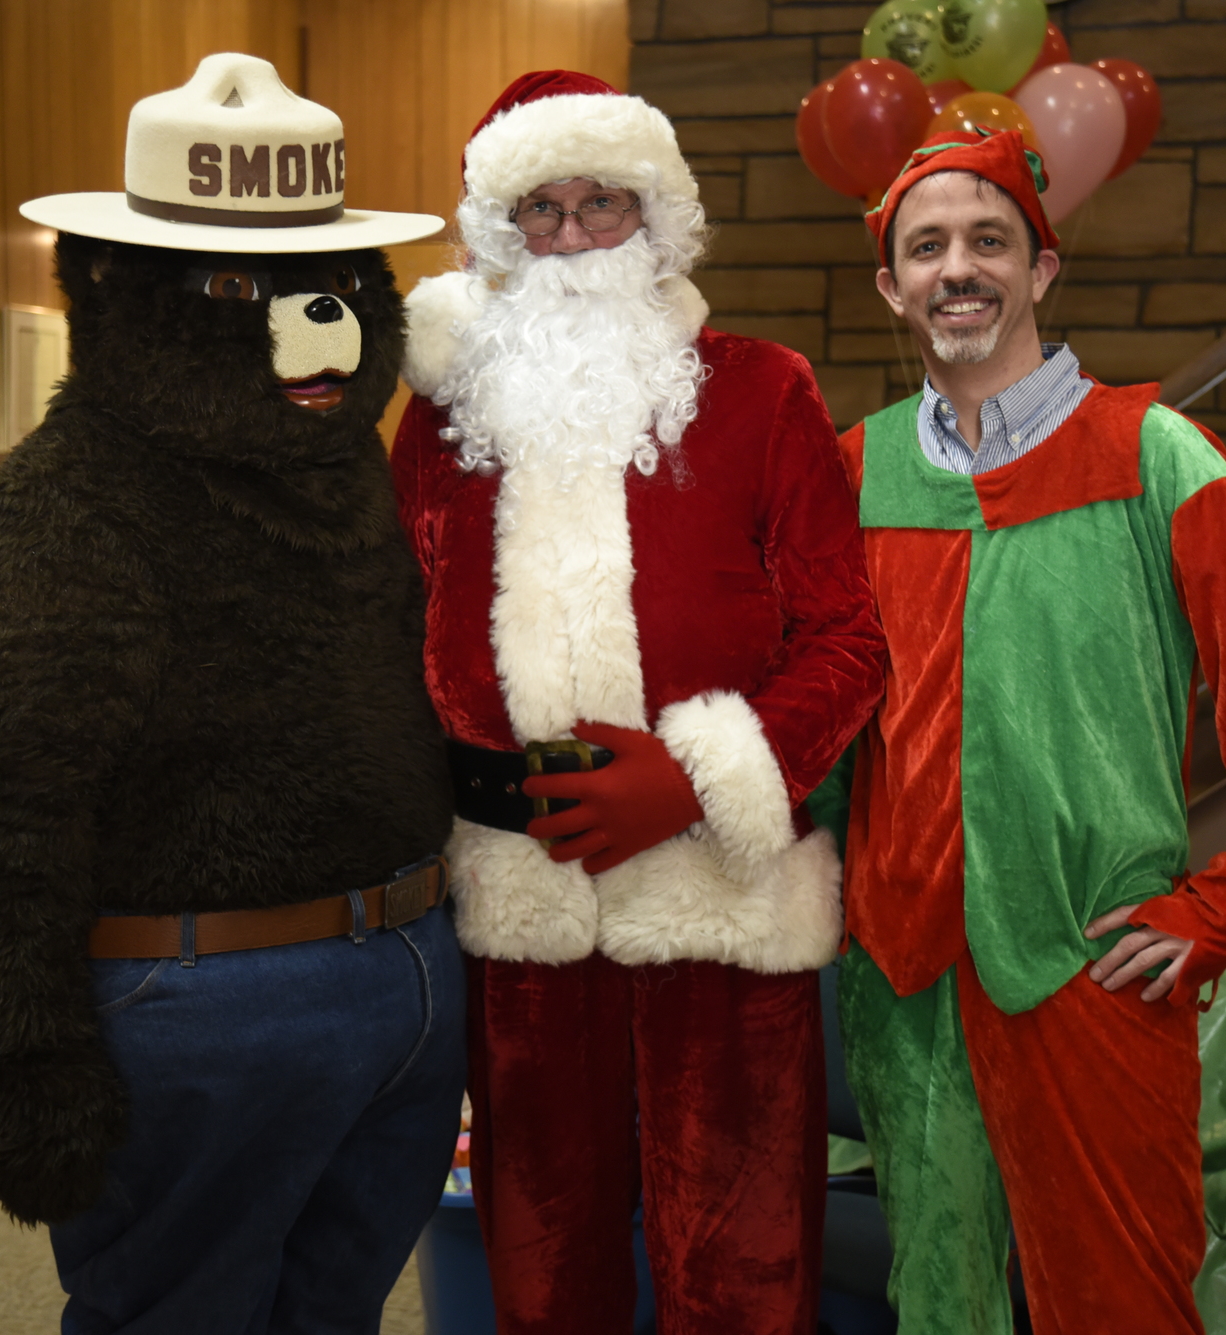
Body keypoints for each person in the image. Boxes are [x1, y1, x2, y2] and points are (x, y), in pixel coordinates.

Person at [0, 55, 461, 1333]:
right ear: (110, 293)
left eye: (331, 287)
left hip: (405, 985)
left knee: (334, 1312)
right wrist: (34, 1071)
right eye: (234, 289)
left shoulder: (350, 477)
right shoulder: (65, 510)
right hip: (206, 1008)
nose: (308, 324)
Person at [834, 129, 1226, 1334]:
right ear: (890, 286)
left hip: (1090, 955)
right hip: (906, 967)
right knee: (937, 1288)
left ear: (1040, 268)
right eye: (925, 248)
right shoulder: (853, 469)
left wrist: (1224, 907)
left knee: (1119, 1290)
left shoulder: (1152, 452)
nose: (955, 269)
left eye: (986, 242)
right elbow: (832, 705)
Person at [391, 70, 886, 1334]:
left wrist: (699, 775)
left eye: (598, 204)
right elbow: (388, 640)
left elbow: (848, 637)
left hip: (719, 898)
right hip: (518, 897)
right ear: (498, 236)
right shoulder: (439, 424)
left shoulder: (761, 391)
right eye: (538, 213)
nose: (568, 240)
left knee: (741, 1263)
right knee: (541, 1266)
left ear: (654, 218)